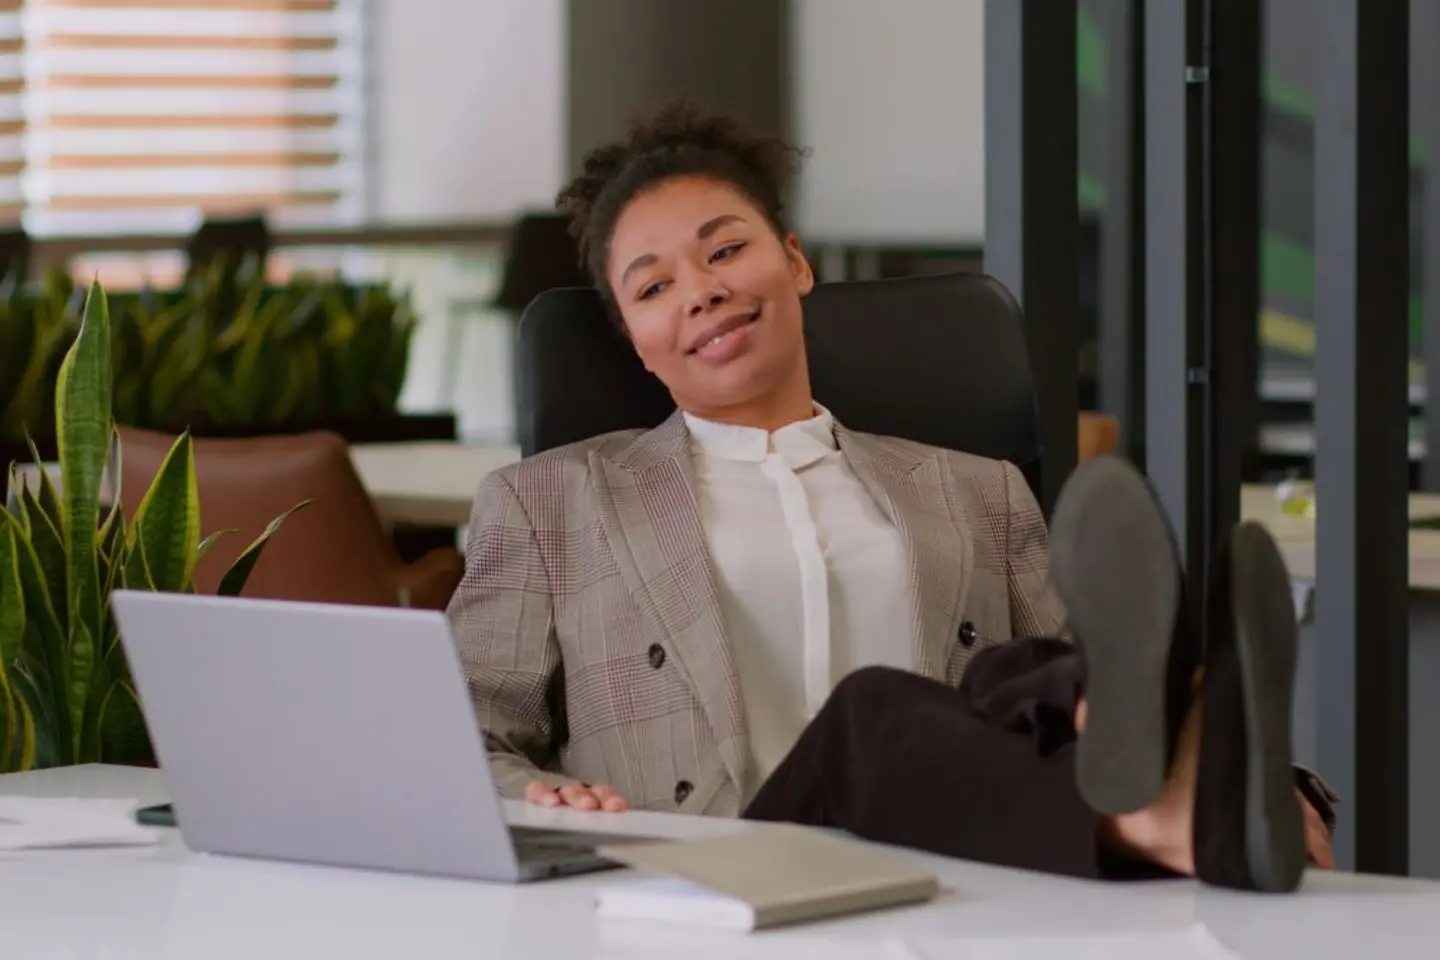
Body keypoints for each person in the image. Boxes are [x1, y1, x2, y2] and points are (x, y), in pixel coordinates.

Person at [446, 101, 1335, 890]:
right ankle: (1170, 817)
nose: (704, 291)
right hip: (712, 880)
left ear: (793, 262)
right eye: (655, 286)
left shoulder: (975, 488)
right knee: (874, 710)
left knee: (1019, 674)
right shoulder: (552, 502)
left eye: (726, 249)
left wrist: (1286, 787)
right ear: (635, 341)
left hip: (947, 868)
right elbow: (459, 736)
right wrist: (538, 794)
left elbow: (1068, 693)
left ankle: (1207, 771)